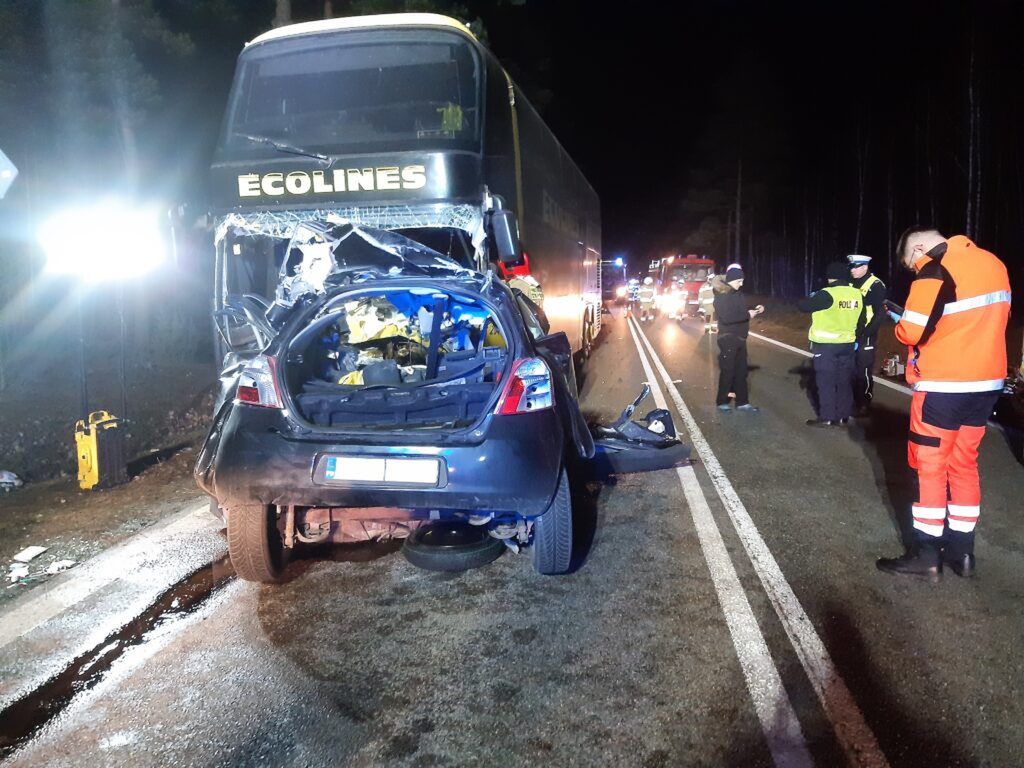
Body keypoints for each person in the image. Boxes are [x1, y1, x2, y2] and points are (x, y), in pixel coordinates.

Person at [876, 228, 1010, 580]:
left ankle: (926, 555)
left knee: (930, 467)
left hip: (944, 385)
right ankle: (962, 553)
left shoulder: (933, 271)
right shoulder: (993, 263)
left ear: (919, 247)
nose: (914, 268)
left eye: (911, 262)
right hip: (986, 383)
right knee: (964, 464)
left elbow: (912, 332)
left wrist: (900, 320)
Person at [797, 262, 866, 427]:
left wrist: (811, 297)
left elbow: (803, 306)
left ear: (830, 277)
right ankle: (843, 416)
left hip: (826, 346)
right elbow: (862, 321)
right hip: (848, 345)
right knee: (844, 381)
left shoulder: (827, 294)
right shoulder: (857, 294)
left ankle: (827, 417)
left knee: (826, 382)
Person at [712, 264, 764, 411]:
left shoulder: (737, 294)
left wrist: (756, 307)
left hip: (740, 338)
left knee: (741, 371)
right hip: (728, 337)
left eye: (742, 281)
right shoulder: (721, 296)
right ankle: (722, 402)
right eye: (739, 281)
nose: (741, 284)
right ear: (731, 280)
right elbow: (728, 317)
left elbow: (742, 307)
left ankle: (742, 402)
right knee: (728, 370)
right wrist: (748, 315)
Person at [847, 254, 887, 414]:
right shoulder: (850, 284)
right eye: (851, 267)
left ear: (865, 267)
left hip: (866, 335)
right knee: (850, 368)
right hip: (849, 333)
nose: (852, 270)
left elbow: (880, 313)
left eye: (856, 267)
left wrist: (867, 333)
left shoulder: (876, 285)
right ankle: (851, 400)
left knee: (863, 369)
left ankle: (864, 403)